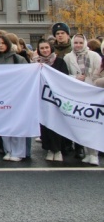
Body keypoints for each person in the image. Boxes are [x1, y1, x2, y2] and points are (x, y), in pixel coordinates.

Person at [64, 33, 104, 166]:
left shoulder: (94, 56)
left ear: (85, 43)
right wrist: (75, 78)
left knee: (93, 124)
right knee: (82, 124)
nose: (78, 45)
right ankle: (87, 153)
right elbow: (65, 75)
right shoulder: (68, 57)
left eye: (81, 42)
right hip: (77, 94)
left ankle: (94, 154)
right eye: (76, 42)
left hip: (93, 92)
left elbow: (98, 74)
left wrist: (89, 79)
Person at [34, 39, 69, 162]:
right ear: (39, 50)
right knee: (45, 124)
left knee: (56, 123)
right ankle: (49, 148)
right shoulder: (36, 64)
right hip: (42, 97)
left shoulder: (59, 61)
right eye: (42, 48)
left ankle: (58, 149)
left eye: (46, 47)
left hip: (56, 98)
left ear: (51, 48)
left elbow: (64, 78)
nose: (45, 50)